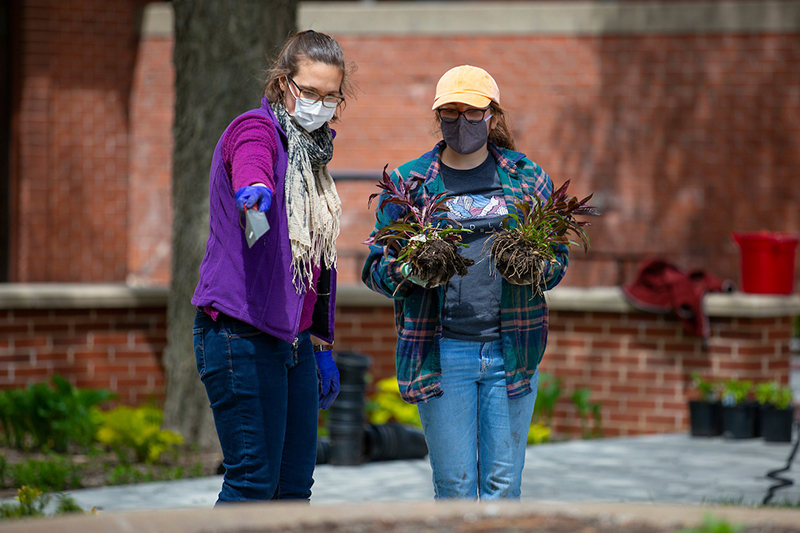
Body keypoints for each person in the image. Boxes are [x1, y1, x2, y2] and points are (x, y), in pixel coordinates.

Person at [362, 65, 569, 500]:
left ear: (491, 115)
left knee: (503, 484)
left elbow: (558, 260)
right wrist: (411, 272)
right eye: (450, 113)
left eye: (471, 113)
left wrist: (535, 266)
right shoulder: (410, 183)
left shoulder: (526, 178)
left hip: (511, 347)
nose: (461, 123)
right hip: (443, 349)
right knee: (454, 485)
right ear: (438, 117)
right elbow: (375, 268)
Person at [191, 30, 354, 503]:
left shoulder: (314, 155)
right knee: (252, 483)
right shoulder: (256, 129)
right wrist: (254, 187)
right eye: (310, 92)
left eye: (331, 97)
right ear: (284, 83)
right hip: (239, 334)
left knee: (293, 489)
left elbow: (318, 262)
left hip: (296, 343)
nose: (320, 105)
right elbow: (252, 159)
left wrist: (323, 343)